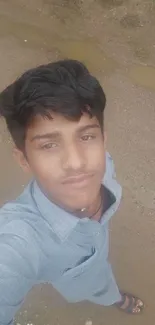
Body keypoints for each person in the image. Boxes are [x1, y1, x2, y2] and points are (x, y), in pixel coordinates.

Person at [0, 59, 144, 325]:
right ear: (23, 160)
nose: (76, 163)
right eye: (49, 145)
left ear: (103, 140)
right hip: (79, 284)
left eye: (87, 137)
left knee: (102, 278)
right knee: (93, 286)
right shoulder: (19, 242)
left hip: (98, 261)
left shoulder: (105, 165)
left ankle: (113, 296)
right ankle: (114, 298)